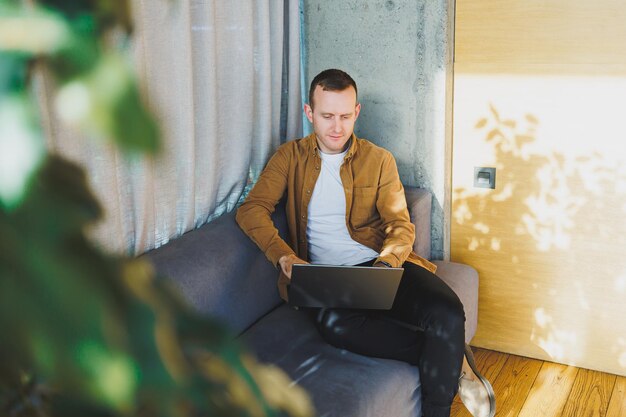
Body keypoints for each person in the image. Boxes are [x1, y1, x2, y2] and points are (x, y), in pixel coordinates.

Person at [236, 69, 495, 417]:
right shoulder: (289, 158)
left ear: (357, 112)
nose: (337, 127)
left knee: (447, 313)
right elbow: (251, 211)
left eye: (345, 116)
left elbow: (400, 226)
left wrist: (386, 264)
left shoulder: (379, 160)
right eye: (327, 116)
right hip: (325, 278)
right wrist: (284, 258)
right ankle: (450, 356)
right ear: (308, 112)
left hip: (380, 266)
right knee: (335, 327)